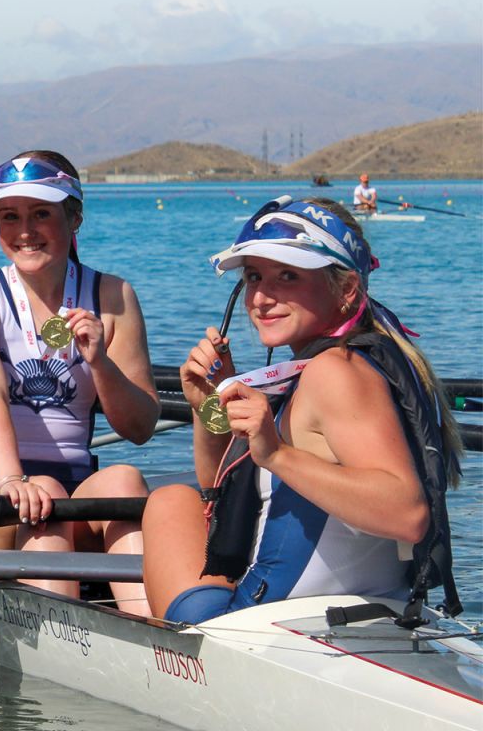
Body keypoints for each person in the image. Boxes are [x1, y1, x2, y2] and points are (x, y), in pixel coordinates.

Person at [141, 196, 462, 624]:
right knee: (181, 499)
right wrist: (211, 405)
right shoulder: (378, 358)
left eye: (287, 276)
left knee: (168, 502)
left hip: (274, 619)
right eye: (254, 276)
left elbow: (407, 515)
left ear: (346, 289)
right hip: (381, 610)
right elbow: (216, 485)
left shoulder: (335, 371)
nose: (261, 298)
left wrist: (276, 454)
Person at [0, 151, 158, 611]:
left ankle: (160, 642)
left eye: (41, 213)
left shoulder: (113, 295)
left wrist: (101, 363)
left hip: (73, 494)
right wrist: (12, 479)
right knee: (42, 495)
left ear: (74, 216)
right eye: (10, 217)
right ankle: (59, 649)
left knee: (124, 478)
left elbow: (140, 429)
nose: (24, 231)